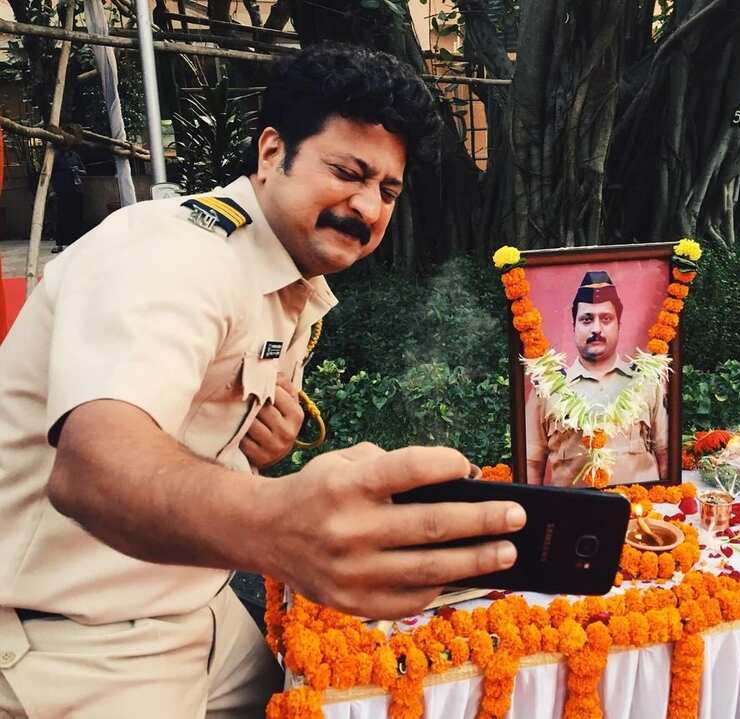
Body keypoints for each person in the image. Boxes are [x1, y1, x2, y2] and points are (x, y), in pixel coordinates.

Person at [0, 44, 525, 718]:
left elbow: (197, 419)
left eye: (388, 191)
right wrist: (282, 523)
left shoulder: (287, 273)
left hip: (198, 607)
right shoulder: (172, 256)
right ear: (273, 152)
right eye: (348, 172)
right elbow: (94, 467)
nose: (367, 206)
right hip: (76, 637)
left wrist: (262, 447)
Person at [525, 271, 668, 487]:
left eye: (606, 319)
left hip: (640, 506)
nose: (596, 329)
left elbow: (665, 454)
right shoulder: (546, 387)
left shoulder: (646, 381)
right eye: (587, 319)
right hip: (571, 508)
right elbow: (531, 465)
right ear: (574, 326)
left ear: (619, 325)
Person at [50, 148, 87, 253]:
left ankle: (76, 243)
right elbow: (49, 174)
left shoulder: (75, 155)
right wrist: (52, 190)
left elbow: (84, 171)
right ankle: (59, 244)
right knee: (60, 217)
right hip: (61, 191)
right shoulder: (55, 156)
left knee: (76, 217)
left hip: (76, 190)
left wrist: (77, 170)